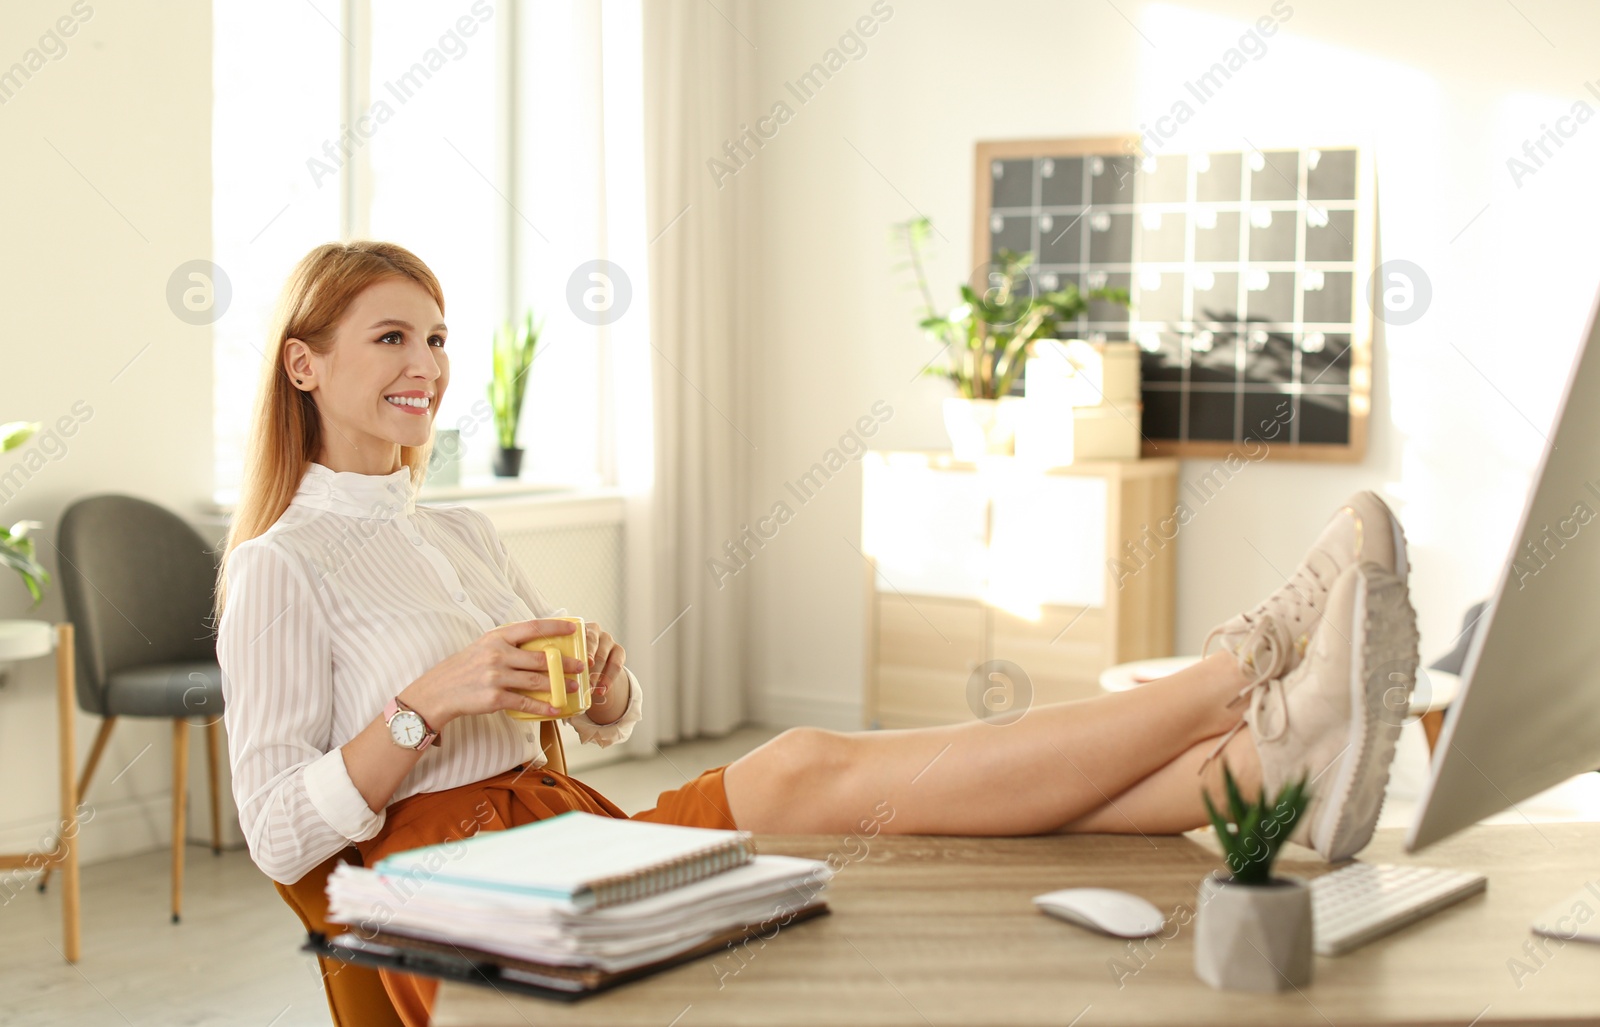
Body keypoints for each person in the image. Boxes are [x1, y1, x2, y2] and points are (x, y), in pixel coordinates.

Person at [216, 240, 1419, 1025]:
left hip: (568, 836)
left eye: (435, 336)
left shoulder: (463, 534)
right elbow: (275, 834)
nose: (427, 364)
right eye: (391, 338)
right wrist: (424, 704)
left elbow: (602, 714)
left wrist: (609, 688)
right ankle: (1239, 683)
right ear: (304, 365)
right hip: (449, 906)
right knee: (819, 785)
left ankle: (1261, 766)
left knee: (804, 765)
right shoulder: (280, 564)